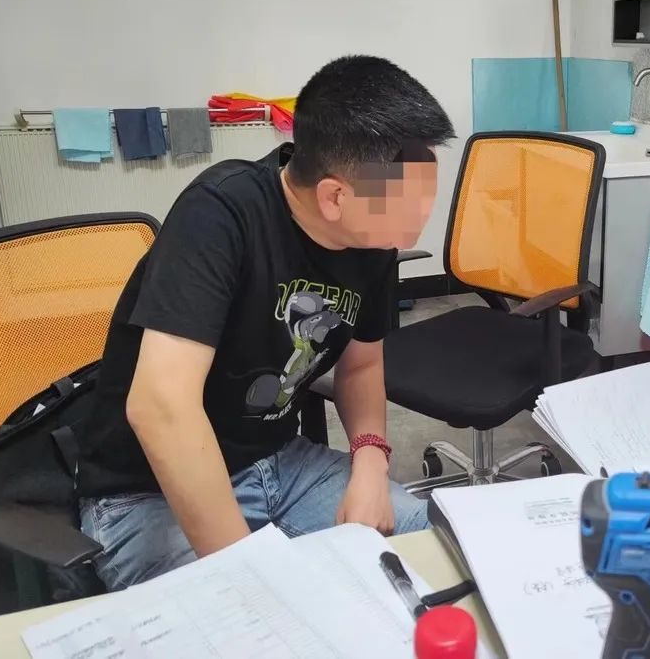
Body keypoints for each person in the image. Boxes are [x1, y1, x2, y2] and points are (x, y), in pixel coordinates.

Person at [75, 55, 454, 589]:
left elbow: (362, 364)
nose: (421, 218)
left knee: (436, 552)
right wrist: (249, 575)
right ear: (334, 196)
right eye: (409, 204)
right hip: (148, 493)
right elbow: (160, 409)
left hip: (278, 462)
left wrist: (371, 464)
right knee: (244, 619)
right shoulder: (220, 213)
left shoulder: (371, 242)